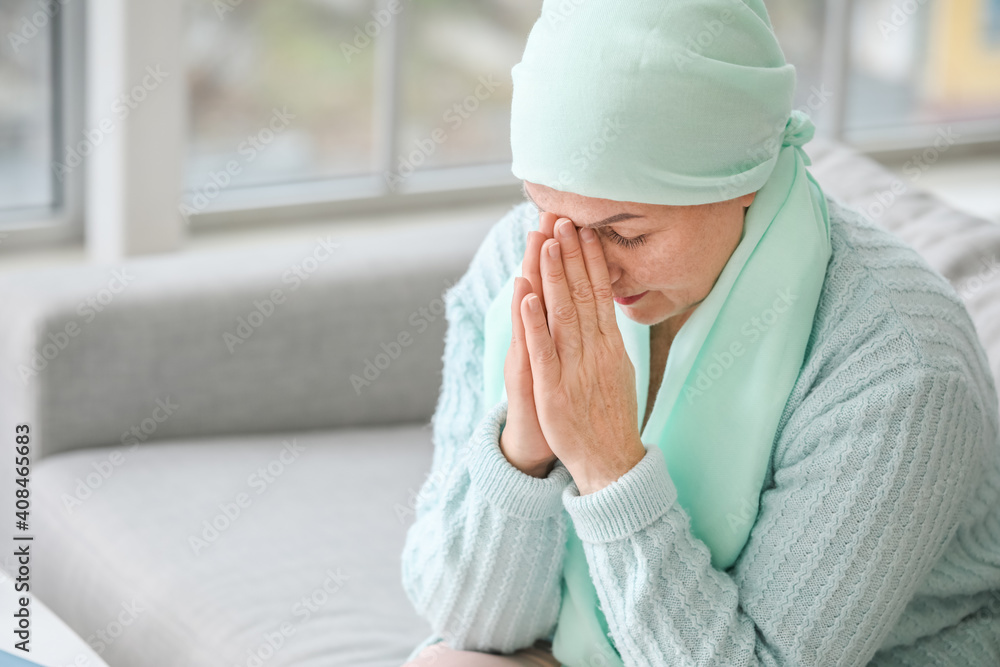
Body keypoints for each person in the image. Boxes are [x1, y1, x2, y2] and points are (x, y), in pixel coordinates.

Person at [400, 1, 1000, 665]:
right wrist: (524, 449)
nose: (585, 270)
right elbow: (465, 618)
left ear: (742, 180)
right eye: (547, 211)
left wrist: (607, 466)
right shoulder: (519, 262)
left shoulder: (903, 371)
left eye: (625, 232)